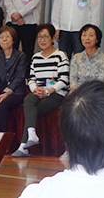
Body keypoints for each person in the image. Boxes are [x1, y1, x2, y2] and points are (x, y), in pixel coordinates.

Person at [12, 24, 69, 158]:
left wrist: (48, 92)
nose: (42, 40)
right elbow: (31, 78)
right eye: (39, 37)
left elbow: (64, 79)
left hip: (55, 94)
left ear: (52, 38)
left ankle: (23, 146)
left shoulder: (60, 55)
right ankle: (32, 134)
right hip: (39, 92)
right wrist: (35, 89)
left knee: (32, 111)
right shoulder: (36, 57)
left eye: (45, 37)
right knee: (28, 99)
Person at [0, 25, 27, 142]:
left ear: (13, 39)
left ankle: (2, 141)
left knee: (1, 107)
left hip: (16, 92)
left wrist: (6, 93)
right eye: (1, 37)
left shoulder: (20, 56)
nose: (4, 39)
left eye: (7, 37)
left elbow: (20, 78)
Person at [69, 24, 104, 91]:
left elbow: (101, 81)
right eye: (84, 35)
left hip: (97, 92)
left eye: (91, 35)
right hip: (78, 93)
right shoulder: (76, 57)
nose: (87, 38)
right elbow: (73, 80)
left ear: (97, 39)